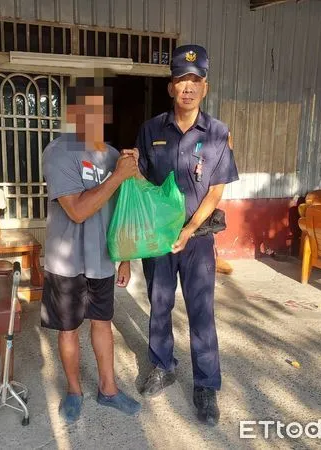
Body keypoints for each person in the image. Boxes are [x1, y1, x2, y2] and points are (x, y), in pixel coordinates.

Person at [130, 44, 239, 425]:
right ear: (171, 87)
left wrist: (190, 229)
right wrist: (131, 169)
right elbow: (140, 178)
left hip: (197, 240)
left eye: (195, 80)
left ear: (204, 87)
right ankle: (162, 366)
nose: (187, 87)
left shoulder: (218, 133)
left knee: (200, 313)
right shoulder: (150, 130)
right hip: (159, 240)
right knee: (159, 305)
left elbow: (215, 191)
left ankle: (206, 386)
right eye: (181, 79)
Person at [41, 77, 141, 424]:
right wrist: (116, 176)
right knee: (69, 330)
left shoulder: (113, 155)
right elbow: (78, 210)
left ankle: (108, 389)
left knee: (103, 324)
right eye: (85, 109)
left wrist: (126, 257)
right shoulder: (58, 152)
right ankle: (73, 391)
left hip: (102, 260)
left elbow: (124, 209)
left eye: (99, 110)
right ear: (73, 112)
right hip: (65, 263)